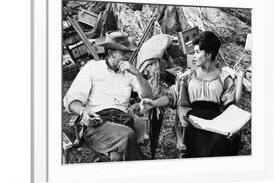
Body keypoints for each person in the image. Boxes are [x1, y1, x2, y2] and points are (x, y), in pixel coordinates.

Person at [141, 31, 244, 157]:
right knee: (200, 143)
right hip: (193, 121)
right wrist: (153, 103)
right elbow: (172, 96)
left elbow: (234, 104)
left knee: (219, 141)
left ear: (208, 54)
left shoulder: (223, 77)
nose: (193, 56)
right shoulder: (188, 76)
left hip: (216, 121)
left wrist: (240, 78)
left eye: (197, 52)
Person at [64, 31, 152, 161]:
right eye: (124, 53)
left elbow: (148, 96)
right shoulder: (92, 69)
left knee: (117, 156)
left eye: (129, 52)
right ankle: (141, 168)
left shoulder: (129, 73)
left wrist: (137, 74)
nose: (128, 56)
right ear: (111, 53)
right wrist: (83, 112)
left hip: (122, 121)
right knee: (127, 135)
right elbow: (71, 100)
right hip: (98, 123)